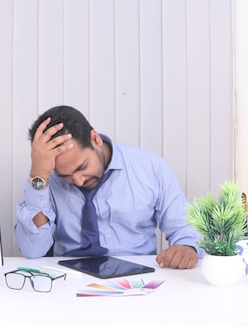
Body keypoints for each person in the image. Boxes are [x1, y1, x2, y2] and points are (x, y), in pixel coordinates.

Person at [14, 105, 203, 269]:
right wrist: (38, 176)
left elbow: (184, 229)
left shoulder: (151, 168)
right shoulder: (45, 180)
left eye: (82, 167)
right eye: (66, 176)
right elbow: (33, 249)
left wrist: (188, 247)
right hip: (69, 282)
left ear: (95, 139)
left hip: (137, 278)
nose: (78, 181)